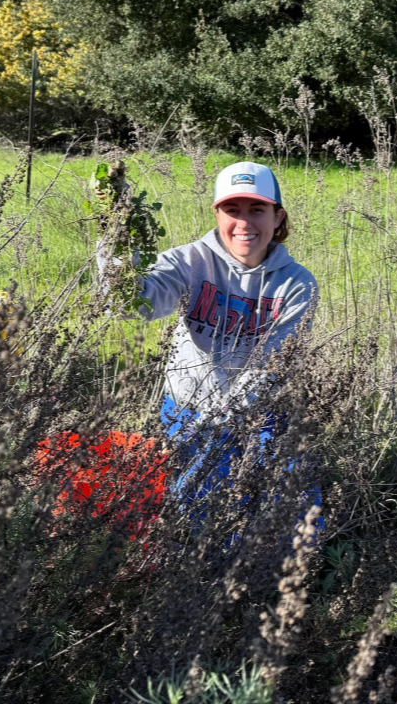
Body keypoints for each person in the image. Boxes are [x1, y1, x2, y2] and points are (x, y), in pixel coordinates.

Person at [97, 161, 320, 528]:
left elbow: (272, 364)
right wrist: (115, 235)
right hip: (189, 409)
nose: (244, 223)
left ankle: (286, 575)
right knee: (197, 508)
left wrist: (224, 421)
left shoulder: (297, 284)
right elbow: (128, 306)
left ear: (278, 217)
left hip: (260, 408)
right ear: (217, 215)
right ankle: (202, 572)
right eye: (232, 210)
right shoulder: (188, 263)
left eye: (257, 210)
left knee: (290, 502)